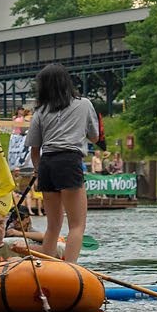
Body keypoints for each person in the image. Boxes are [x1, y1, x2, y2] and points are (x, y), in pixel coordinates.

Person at [25, 63, 101, 264]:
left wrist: (38, 170)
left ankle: (46, 267)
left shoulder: (40, 111)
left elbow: (34, 150)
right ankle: (70, 268)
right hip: (69, 160)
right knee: (77, 224)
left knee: (53, 225)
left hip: (47, 163)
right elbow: (95, 137)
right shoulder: (84, 104)